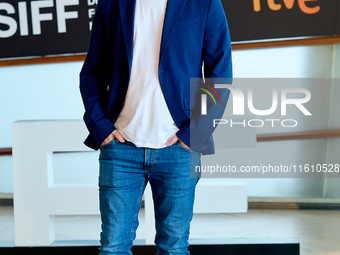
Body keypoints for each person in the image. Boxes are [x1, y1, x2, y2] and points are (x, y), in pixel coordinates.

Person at [79, 0, 232, 254]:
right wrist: (100, 127)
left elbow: (220, 74)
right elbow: (92, 70)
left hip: (179, 149)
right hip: (120, 149)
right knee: (112, 247)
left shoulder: (204, 3)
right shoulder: (111, 3)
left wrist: (193, 134)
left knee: (174, 248)